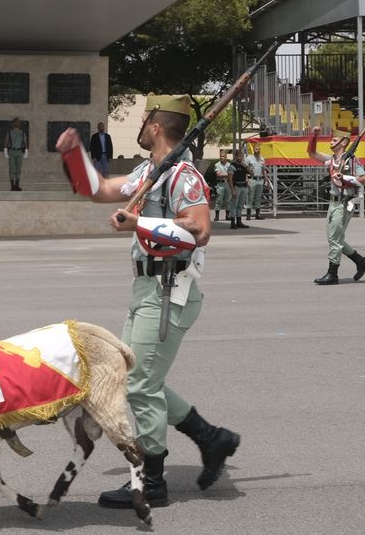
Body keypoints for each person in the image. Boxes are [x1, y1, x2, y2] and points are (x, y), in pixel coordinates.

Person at [57, 95, 240, 510]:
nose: (139, 127)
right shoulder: (149, 172)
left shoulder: (183, 176)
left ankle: (152, 481)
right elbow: (100, 190)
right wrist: (73, 158)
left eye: (143, 120)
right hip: (147, 289)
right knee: (135, 377)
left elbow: (201, 230)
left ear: (156, 126)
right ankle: (212, 438)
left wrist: (138, 222)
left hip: (169, 292)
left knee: (137, 384)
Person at [307, 126, 365, 285]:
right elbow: (311, 153)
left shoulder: (352, 160)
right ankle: (360, 261)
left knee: (335, 239)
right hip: (332, 202)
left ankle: (333, 273)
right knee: (333, 238)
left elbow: (363, 179)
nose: (331, 141)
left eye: (335, 140)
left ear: (344, 143)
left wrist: (344, 176)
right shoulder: (331, 160)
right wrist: (314, 135)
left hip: (345, 203)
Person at [227, 147, 249, 228]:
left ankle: (239, 222)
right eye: (239, 156)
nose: (241, 157)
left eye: (242, 156)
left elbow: (252, 173)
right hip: (236, 187)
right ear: (236, 157)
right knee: (234, 205)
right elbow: (229, 179)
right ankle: (233, 222)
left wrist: (245, 166)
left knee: (240, 205)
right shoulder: (232, 166)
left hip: (243, 187)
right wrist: (232, 190)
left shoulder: (243, 166)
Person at [244, 143, 266, 220]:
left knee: (258, 198)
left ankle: (257, 214)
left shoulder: (262, 159)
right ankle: (248, 214)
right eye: (256, 149)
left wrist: (265, 179)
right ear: (253, 150)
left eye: (259, 149)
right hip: (252, 180)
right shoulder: (249, 158)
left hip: (260, 180)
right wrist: (246, 178)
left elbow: (264, 170)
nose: (258, 150)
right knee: (250, 197)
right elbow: (245, 169)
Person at [4, 118, 28, 191]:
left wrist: (26, 151)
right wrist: (5, 151)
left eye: (19, 122)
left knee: (18, 170)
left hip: (19, 152)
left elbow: (25, 142)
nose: (18, 123)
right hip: (12, 151)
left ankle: (17, 185)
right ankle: (12, 186)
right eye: (16, 122)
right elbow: (6, 141)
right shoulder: (10, 132)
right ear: (13, 123)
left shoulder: (22, 132)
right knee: (12, 169)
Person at [212, 155, 234, 225]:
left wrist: (225, 174)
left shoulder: (229, 165)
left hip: (228, 183)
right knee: (219, 200)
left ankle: (227, 215)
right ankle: (217, 216)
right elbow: (218, 174)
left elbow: (232, 174)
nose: (222, 158)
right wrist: (228, 174)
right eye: (221, 156)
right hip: (221, 184)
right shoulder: (217, 165)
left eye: (223, 156)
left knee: (228, 200)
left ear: (226, 157)